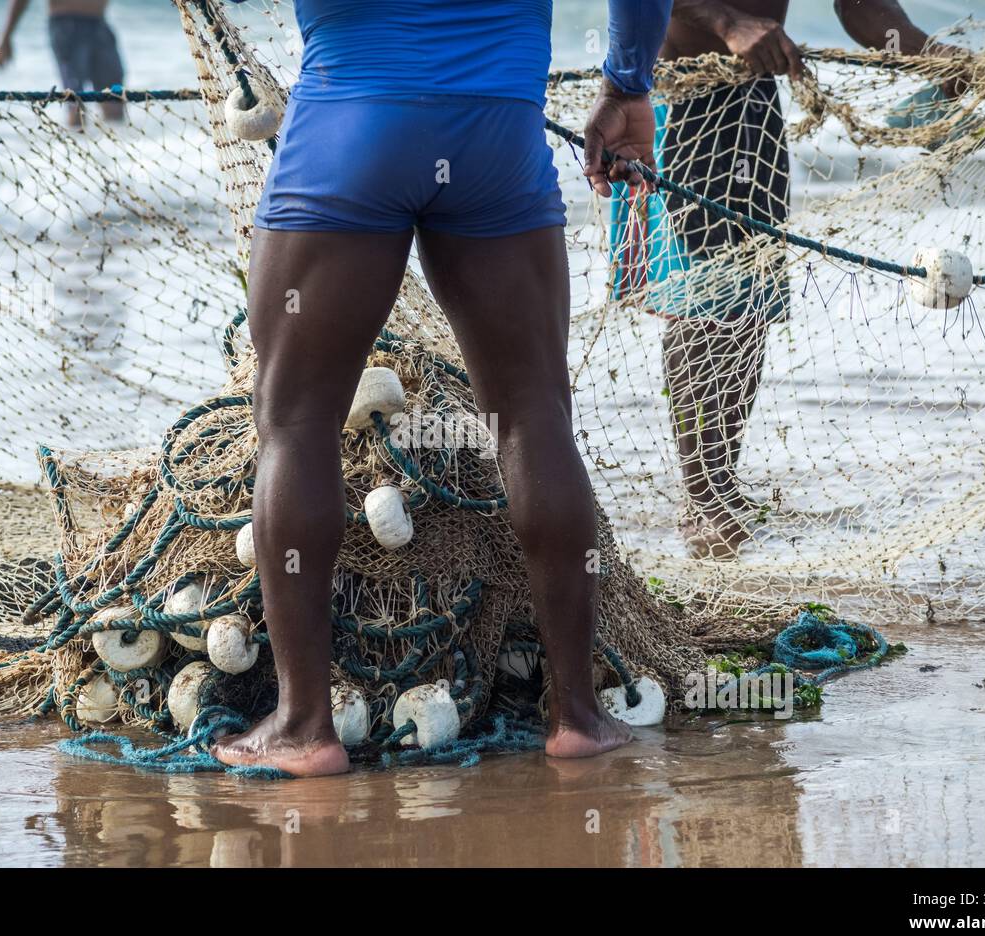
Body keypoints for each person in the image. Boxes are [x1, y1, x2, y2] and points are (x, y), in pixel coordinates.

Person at [208, 0, 672, 777]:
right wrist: (627, 83)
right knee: (532, 416)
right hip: (495, 131)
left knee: (296, 420)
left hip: (350, 124)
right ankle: (579, 717)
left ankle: (304, 725)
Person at [611, 0, 958, 560]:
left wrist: (929, 52)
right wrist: (728, 22)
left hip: (752, 102)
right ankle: (702, 496)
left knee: (749, 304)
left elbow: (862, 7)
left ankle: (721, 482)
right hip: (678, 96)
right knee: (696, 303)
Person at [0, 0, 126, 126]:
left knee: (114, 102)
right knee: (75, 101)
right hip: (66, 25)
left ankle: (111, 147)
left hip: (99, 23)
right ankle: (75, 146)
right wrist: (6, 37)